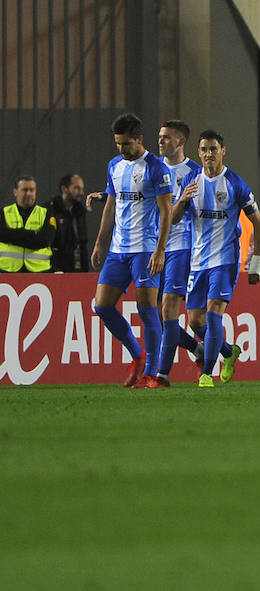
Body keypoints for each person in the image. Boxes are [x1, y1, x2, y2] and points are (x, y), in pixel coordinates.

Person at [171, 129, 260, 388]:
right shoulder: (191, 180)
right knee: (194, 321)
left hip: (225, 260)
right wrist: (181, 201)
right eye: (203, 150)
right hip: (198, 260)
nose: (208, 154)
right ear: (198, 153)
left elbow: (258, 222)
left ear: (222, 151)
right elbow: (174, 219)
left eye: (213, 149)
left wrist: (256, 261)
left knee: (213, 315)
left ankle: (206, 373)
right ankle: (227, 351)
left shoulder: (235, 183)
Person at [89, 113, 172, 388]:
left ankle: (151, 372)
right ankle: (137, 356)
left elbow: (166, 212)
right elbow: (111, 206)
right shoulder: (115, 165)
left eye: (126, 144)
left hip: (145, 248)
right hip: (118, 249)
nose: (121, 149)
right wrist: (101, 242)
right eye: (118, 144)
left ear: (139, 139)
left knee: (147, 308)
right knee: (101, 305)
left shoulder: (156, 168)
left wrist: (160, 251)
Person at [154, 120, 231, 387]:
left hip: (183, 247)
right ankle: (210, 349)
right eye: (159, 136)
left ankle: (162, 374)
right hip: (154, 247)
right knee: (164, 316)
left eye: (166, 137)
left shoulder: (196, 173)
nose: (161, 141)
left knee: (169, 309)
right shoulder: (153, 166)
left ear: (181, 142)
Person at [0, 175, 55, 273]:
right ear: (15, 191)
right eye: (25, 190)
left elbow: (45, 240)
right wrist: (33, 235)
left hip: (40, 271)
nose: (28, 193)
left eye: (32, 190)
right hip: (7, 271)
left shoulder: (46, 213)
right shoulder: (3, 212)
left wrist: (12, 235)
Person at [47, 173, 88, 272]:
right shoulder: (50, 209)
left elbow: (82, 242)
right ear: (64, 189)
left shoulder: (80, 211)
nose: (81, 193)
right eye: (77, 188)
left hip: (76, 268)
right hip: (55, 268)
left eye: (82, 189)